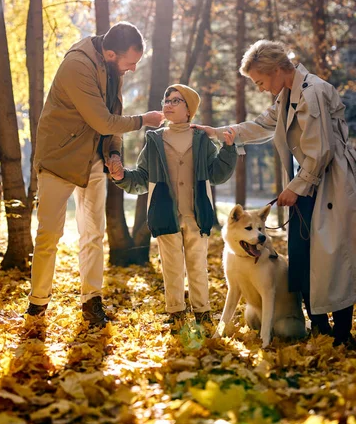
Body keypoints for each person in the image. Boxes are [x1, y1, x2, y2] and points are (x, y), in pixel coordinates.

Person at [192, 40, 356, 346]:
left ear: (278, 69)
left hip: (330, 184)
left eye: (261, 81)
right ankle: (319, 329)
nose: (260, 88)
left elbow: (320, 151)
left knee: (333, 258)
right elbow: (260, 125)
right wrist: (219, 132)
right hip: (308, 186)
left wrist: (294, 187)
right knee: (302, 257)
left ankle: (342, 335)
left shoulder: (312, 92)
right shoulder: (287, 96)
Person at [26, 22, 164, 327]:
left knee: (93, 233)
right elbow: (104, 121)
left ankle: (92, 301)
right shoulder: (77, 65)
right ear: (111, 53)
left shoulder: (114, 71)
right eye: (130, 63)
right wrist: (144, 120)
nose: (132, 69)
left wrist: (113, 153)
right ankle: (37, 304)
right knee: (49, 233)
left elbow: (113, 115)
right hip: (59, 159)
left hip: (93, 159)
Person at [107, 84, 237, 332]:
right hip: (165, 215)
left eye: (176, 100)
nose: (168, 103)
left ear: (189, 110)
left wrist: (228, 150)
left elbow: (217, 174)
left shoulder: (201, 140)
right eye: (166, 99)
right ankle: (176, 313)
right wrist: (121, 175)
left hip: (196, 215)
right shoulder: (154, 140)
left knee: (198, 267)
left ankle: (202, 313)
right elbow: (142, 179)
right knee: (172, 267)